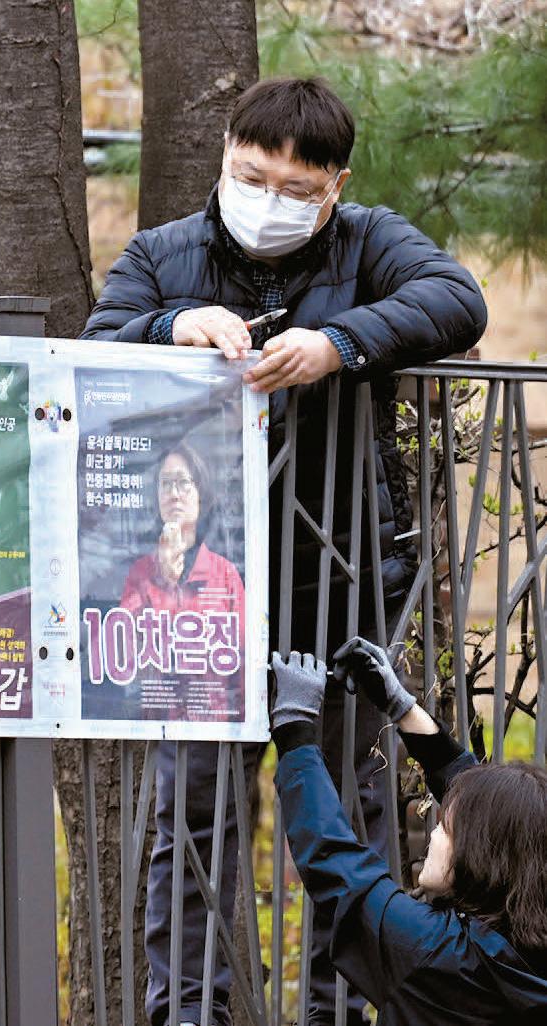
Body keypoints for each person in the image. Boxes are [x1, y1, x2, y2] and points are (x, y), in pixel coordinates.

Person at [83, 77, 487, 1026]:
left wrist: (340, 342)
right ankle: (189, 1012)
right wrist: (172, 327)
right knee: (190, 818)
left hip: (339, 579)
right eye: (249, 176)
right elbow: (98, 344)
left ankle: (340, 1010)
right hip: (195, 591)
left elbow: (456, 300)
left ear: (334, 188)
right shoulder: (164, 253)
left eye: (294, 189)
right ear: (224, 157)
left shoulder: (370, 242)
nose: (266, 200)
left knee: (349, 817)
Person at [265, 641, 547, 1024]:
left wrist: (295, 727)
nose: (433, 835)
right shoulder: (527, 938)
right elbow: (496, 818)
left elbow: (340, 868)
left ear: (480, 857)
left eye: (445, 828)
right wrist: (403, 708)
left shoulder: (435, 955)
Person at [87, 441, 250, 722]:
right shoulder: (141, 572)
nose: (174, 494)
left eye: (183, 483)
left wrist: (242, 733)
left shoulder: (225, 574)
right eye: (165, 484)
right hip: (157, 732)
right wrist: (162, 580)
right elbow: (123, 655)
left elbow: (243, 663)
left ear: (201, 494)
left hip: (215, 733)